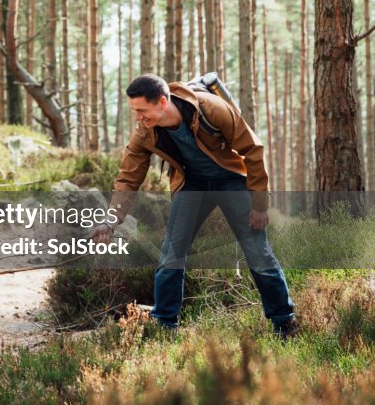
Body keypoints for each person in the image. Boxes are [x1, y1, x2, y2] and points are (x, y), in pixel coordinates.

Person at [91, 74, 299, 338]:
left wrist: (259, 205)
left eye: (142, 111)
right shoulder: (145, 131)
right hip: (192, 184)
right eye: (134, 111)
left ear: (162, 102)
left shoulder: (211, 108)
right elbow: (128, 178)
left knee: (257, 251)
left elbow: (253, 150)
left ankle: (284, 322)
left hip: (231, 179)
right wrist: (110, 221)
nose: (138, 118)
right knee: (171, 253)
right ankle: (164, 326)